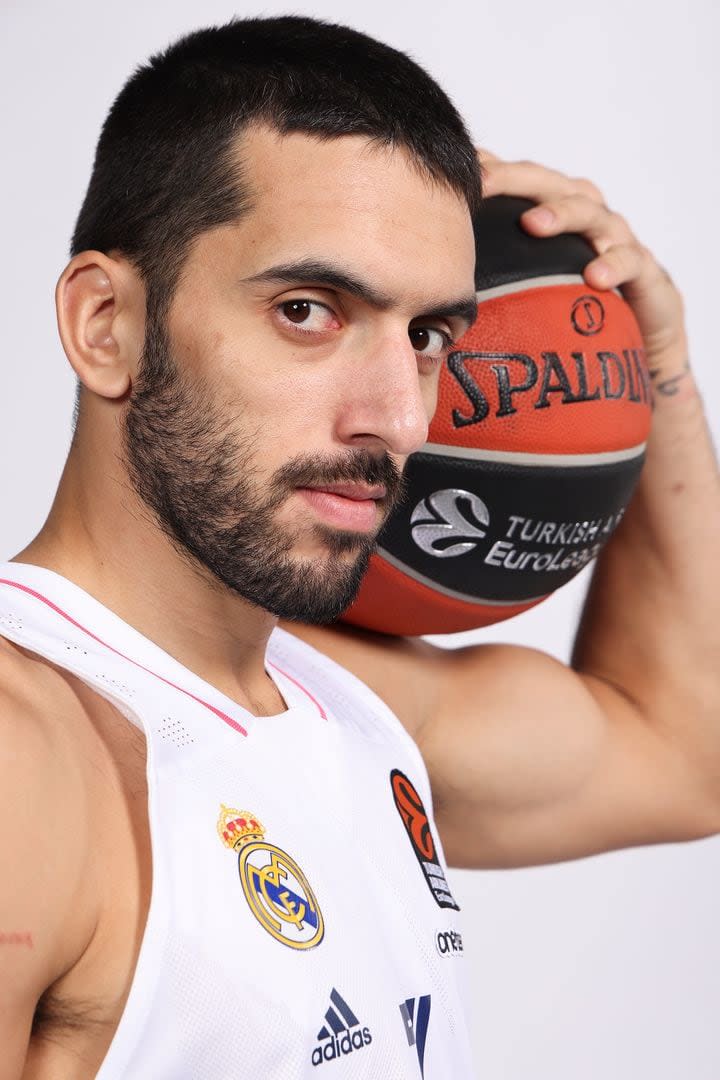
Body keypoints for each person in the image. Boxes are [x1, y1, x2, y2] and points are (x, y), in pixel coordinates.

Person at [0, 13, 717, 1080]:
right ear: (107, 323)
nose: (396, 417)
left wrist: (661, 361)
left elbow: (684, 750)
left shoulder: (335, 700)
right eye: (308, 310)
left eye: (429, 337)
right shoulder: (30, 763)